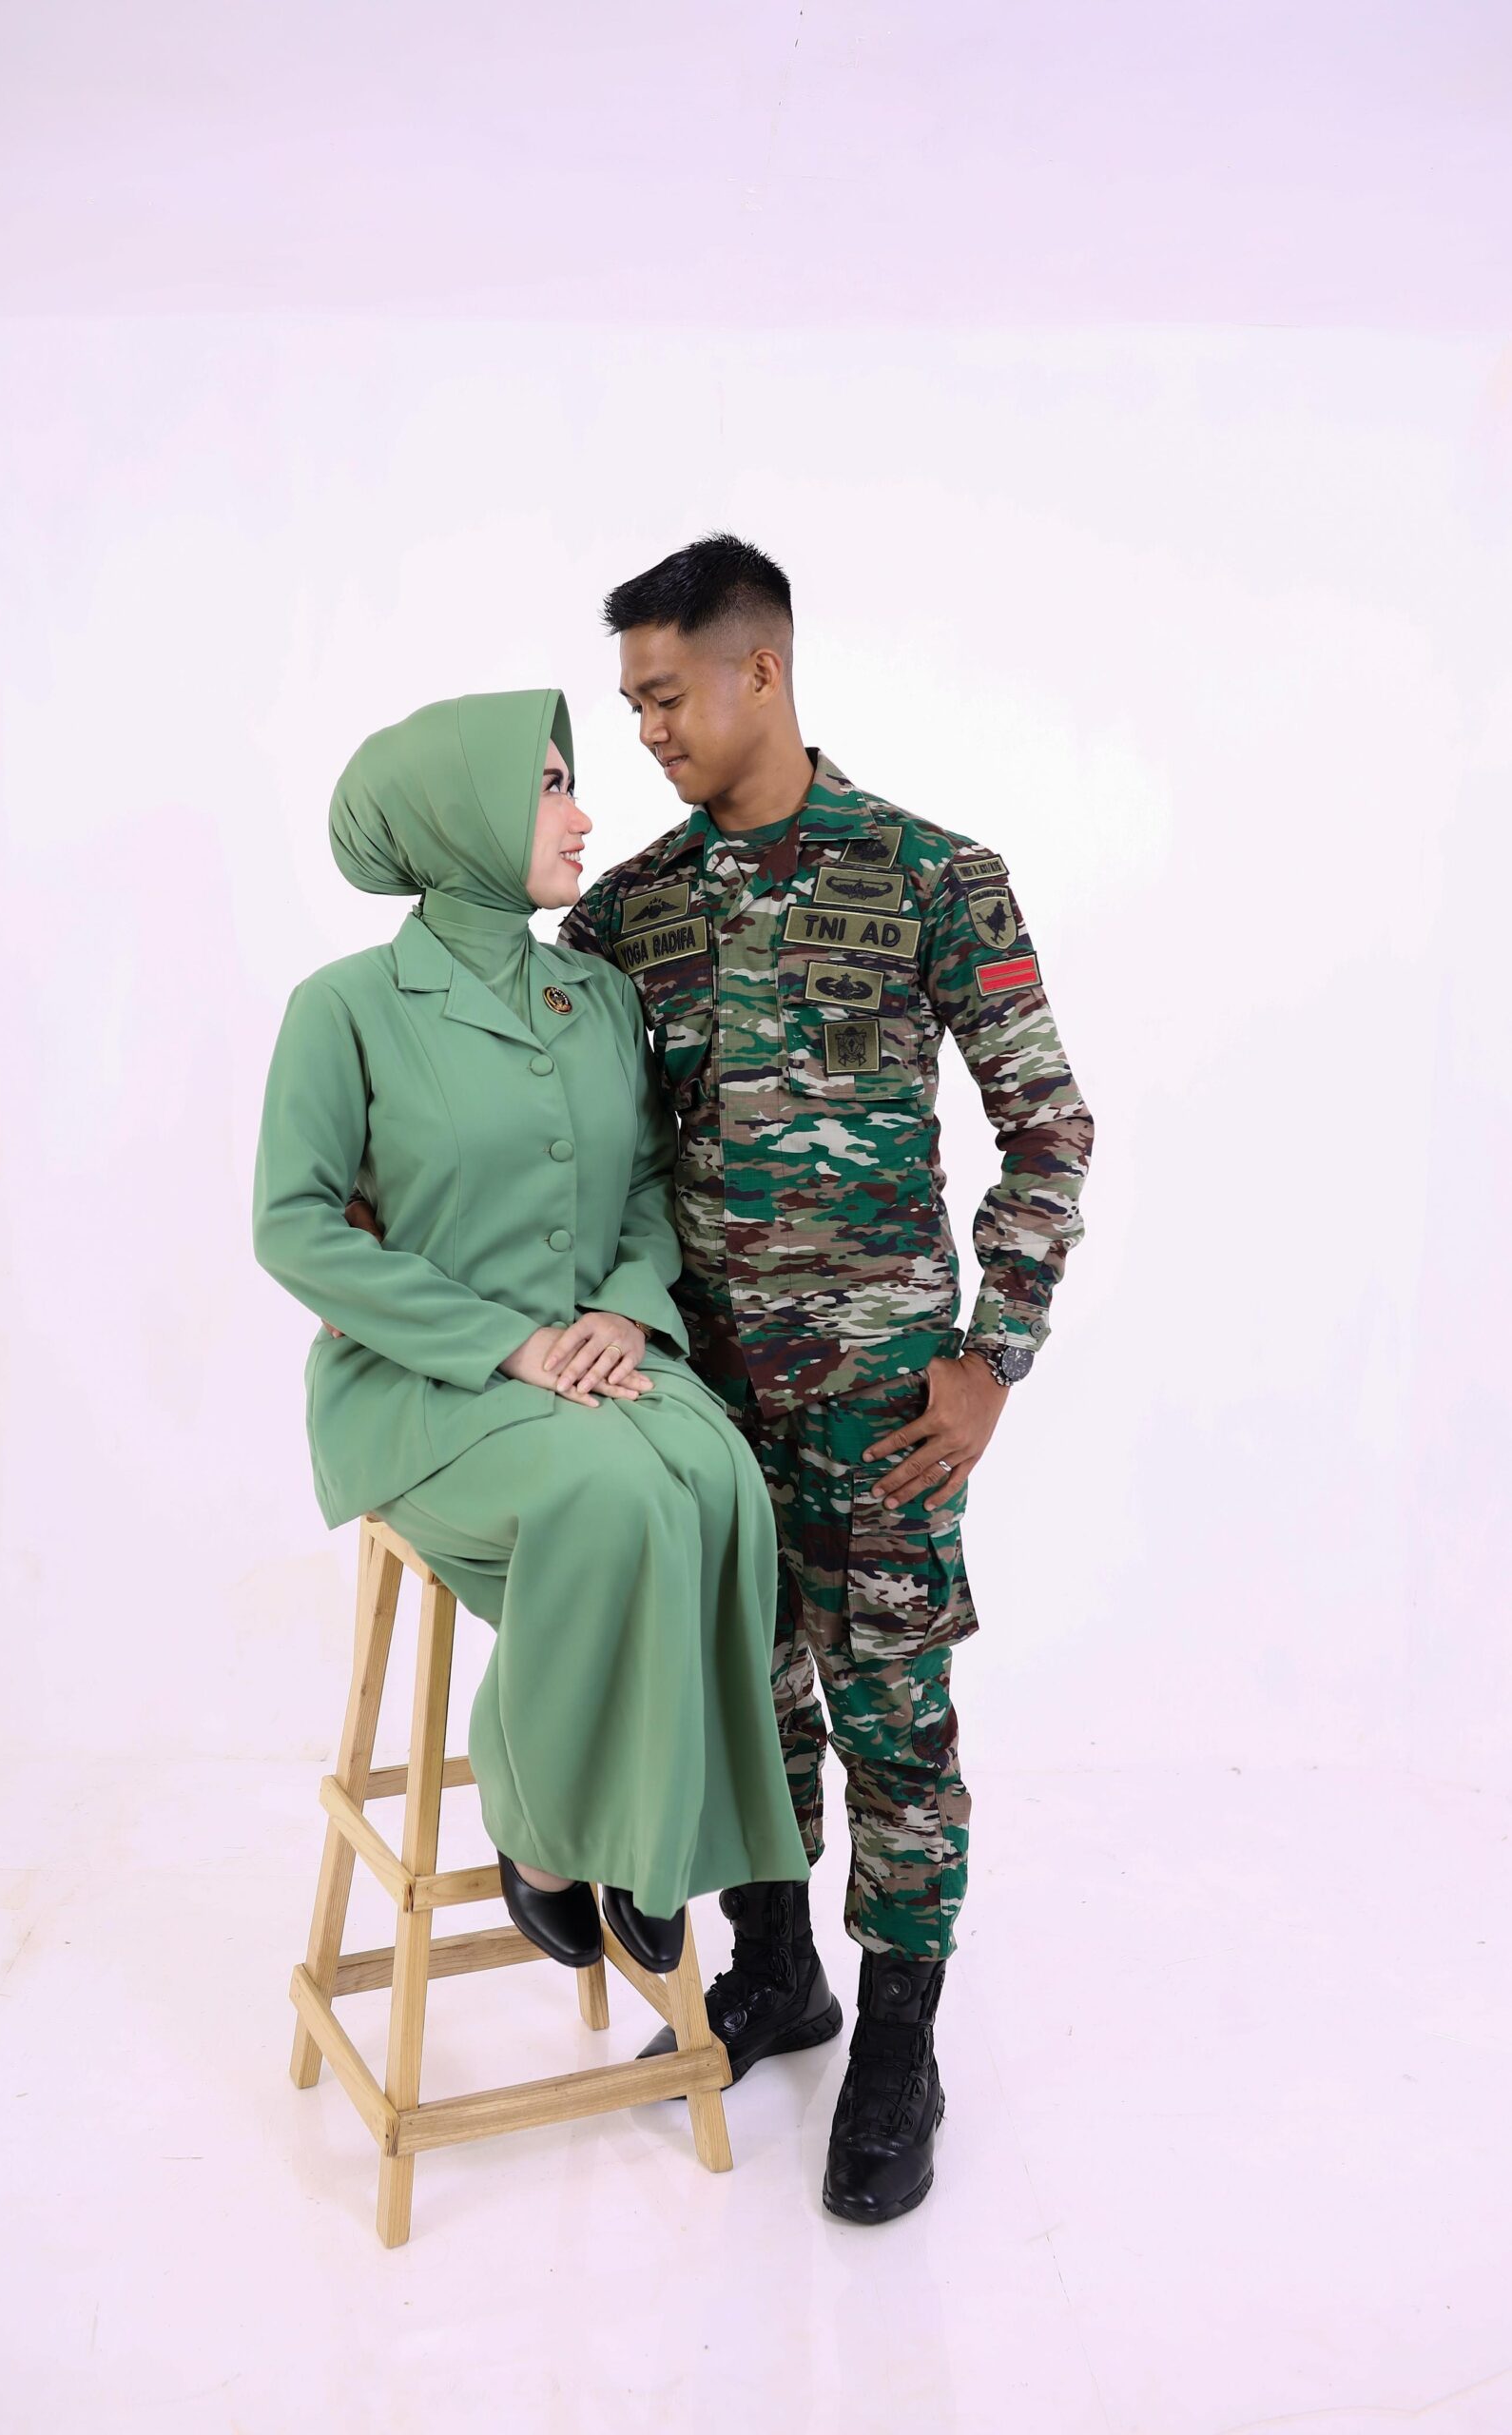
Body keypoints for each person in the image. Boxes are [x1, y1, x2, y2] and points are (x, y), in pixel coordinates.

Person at [553, 535, 1095, 2222]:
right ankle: (779, 1972)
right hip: (698, 1408)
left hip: (884, 1417)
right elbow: (564, 1141)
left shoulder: (933, 876)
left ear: (761, 671)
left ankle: (899, 2050)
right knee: (747, 1705)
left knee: (894, 1728)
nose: (648, 729)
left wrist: (993, 1356)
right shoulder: (629, 912)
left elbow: (1048, 1127)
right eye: (631, 705)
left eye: (666, 695)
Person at [251, 686, 808, 1978]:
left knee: (722, 1479)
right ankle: (553, 1826)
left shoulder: (596, 998)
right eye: (549, 785)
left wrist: (624, 1307)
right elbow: (294, 1228)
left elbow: (649, 1181)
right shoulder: (346, 1007)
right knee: (618, 1500)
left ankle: (657, 1830)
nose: (582, 814)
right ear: (460, 815)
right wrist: (505, 1344)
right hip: (424, 1388)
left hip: (597, 1357)